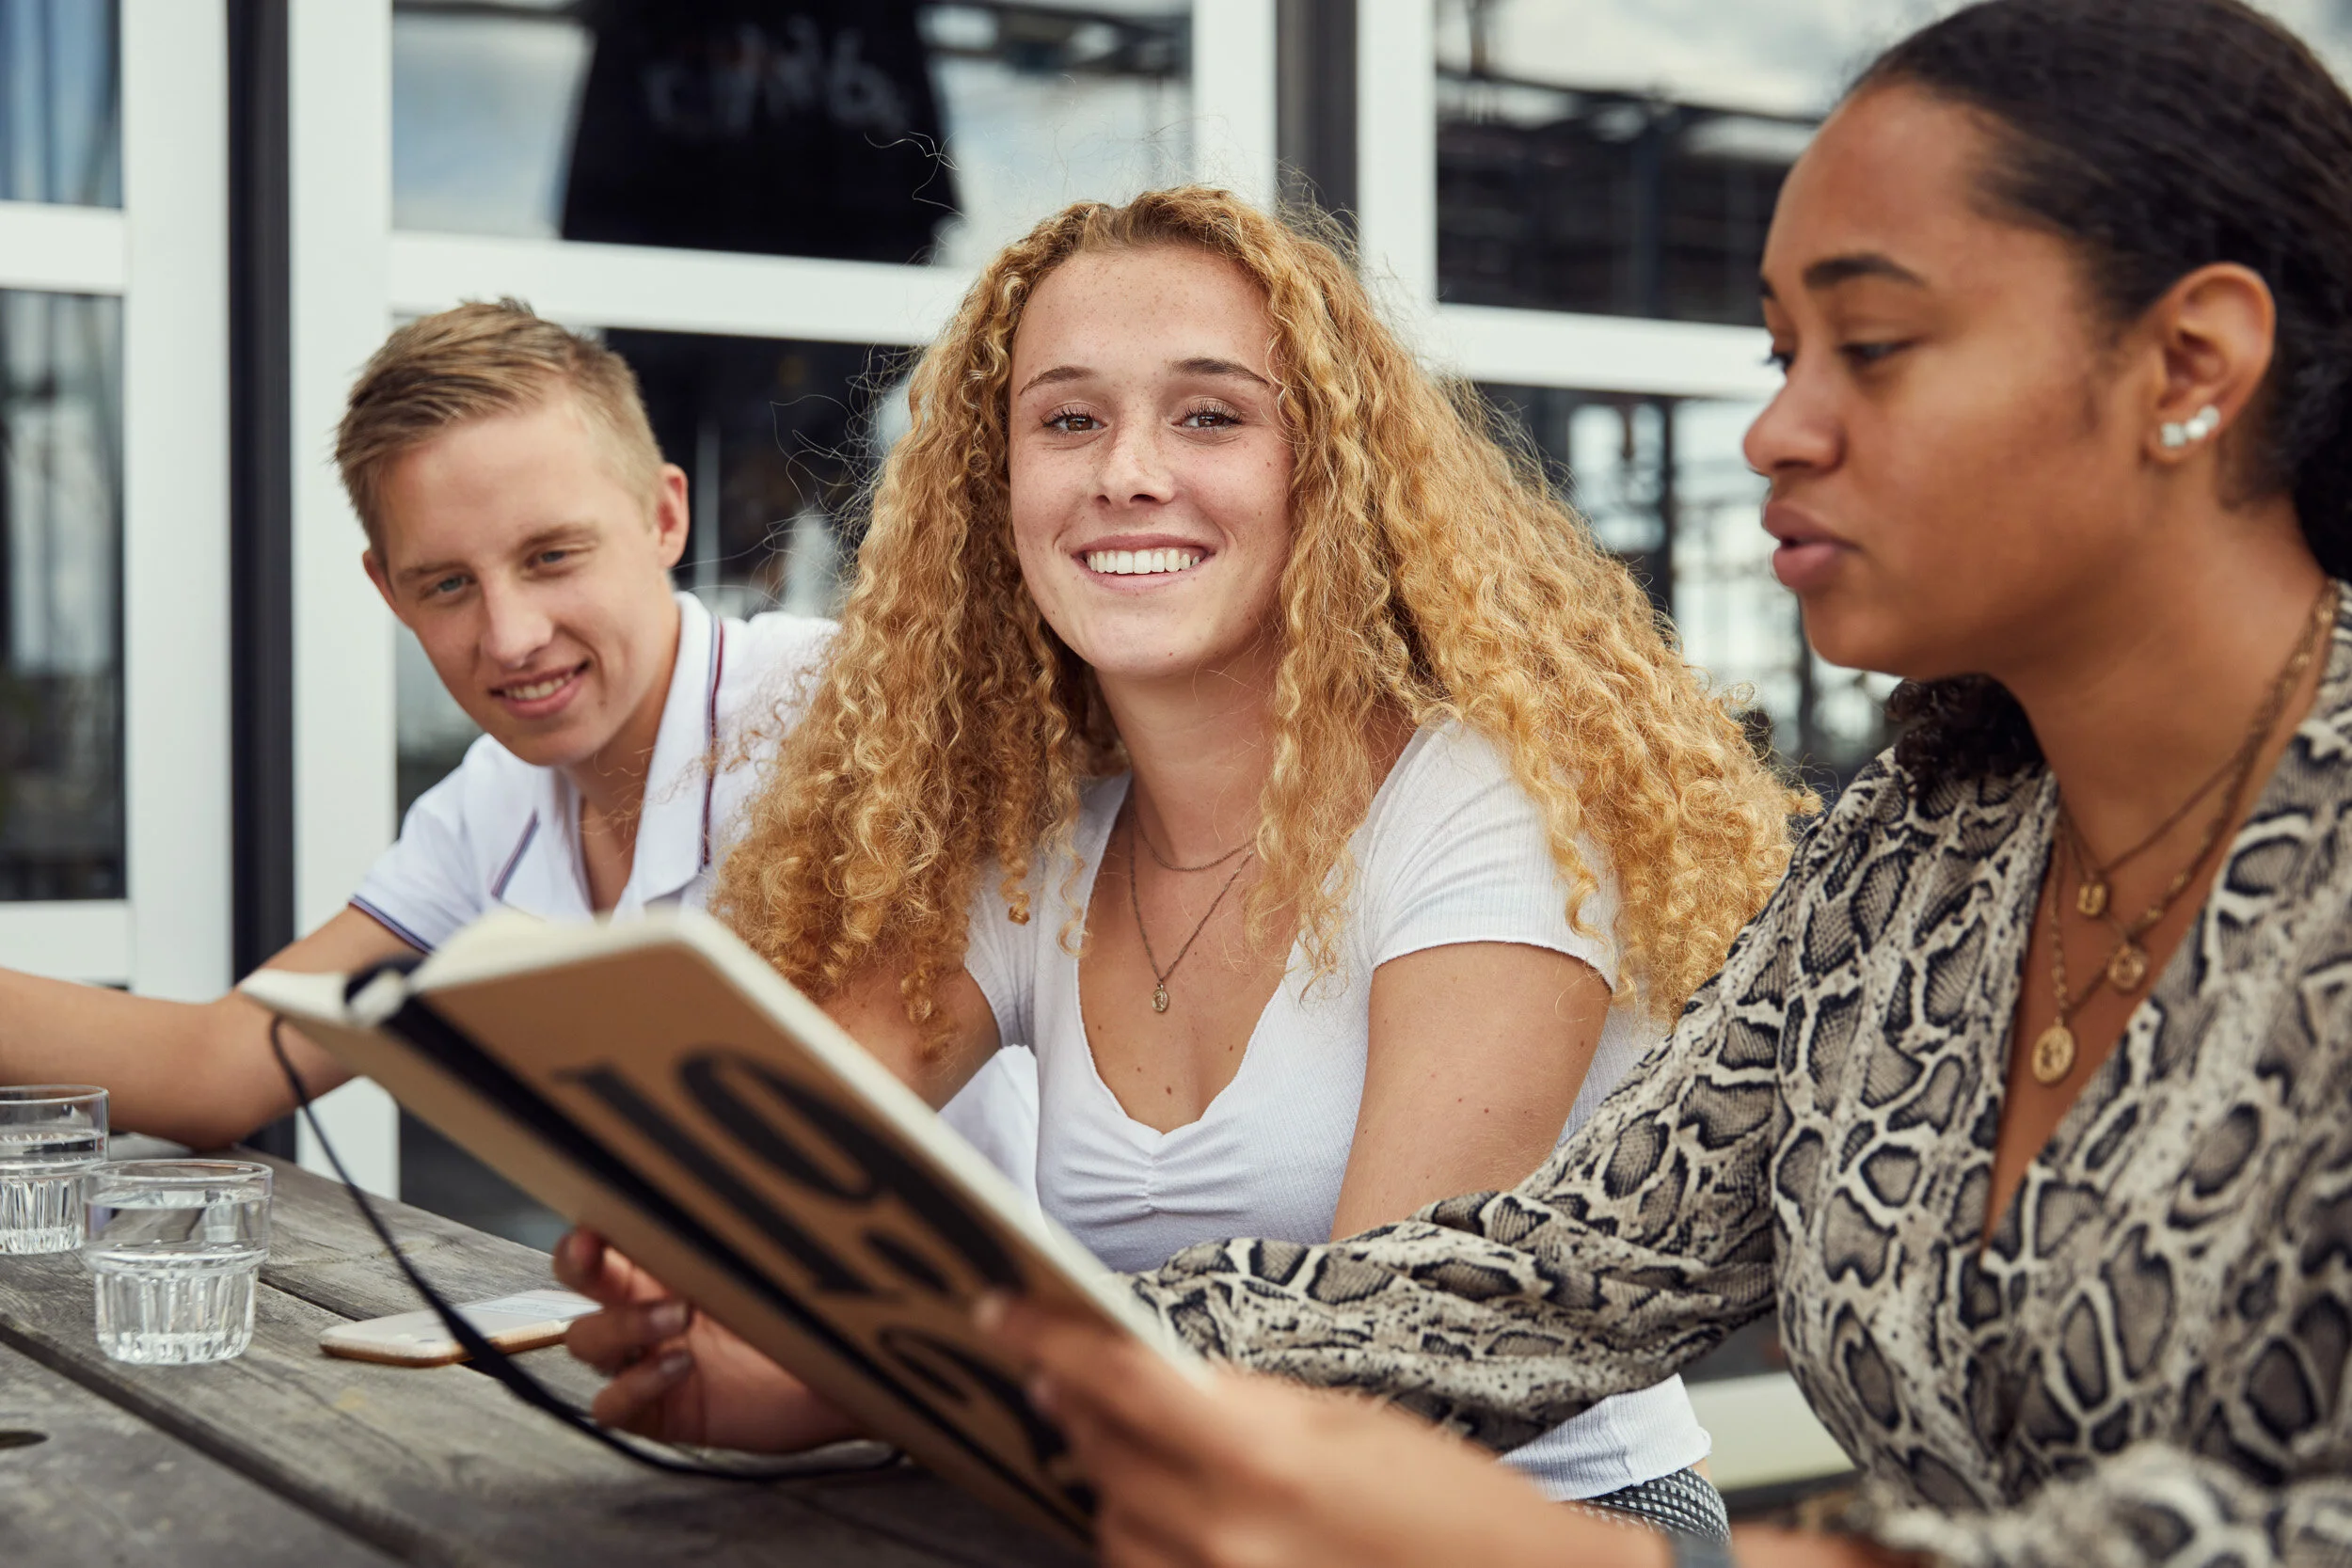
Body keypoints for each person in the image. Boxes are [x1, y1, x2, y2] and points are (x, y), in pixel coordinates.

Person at [567, 2, 2352, 1562]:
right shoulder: (1926, 841)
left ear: (2190, 366)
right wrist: (913, 1353)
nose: (1775, 429)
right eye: (1776, 352)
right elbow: (1553, 1270)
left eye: (1868, 347)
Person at [553, 186, 1803, 1531]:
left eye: (1210, 414)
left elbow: (1366, 1372)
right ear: (996, 485)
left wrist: (868, 1378)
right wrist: (706, 1296)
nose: (1125, 471)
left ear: (1325, 471)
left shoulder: (1491, 810)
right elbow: (758, 1153)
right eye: (1068, 419)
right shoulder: (1038, 850)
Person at [0, 299, 1031, 1180]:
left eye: (551, 555)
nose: (510, 635)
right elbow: (216, 1068)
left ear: (664, 517)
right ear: (387, 592)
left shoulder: (847, 713)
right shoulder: (488, 806)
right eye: (446, 583)